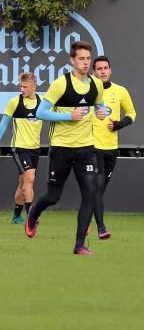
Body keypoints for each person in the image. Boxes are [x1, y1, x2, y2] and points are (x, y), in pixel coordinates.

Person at [25, 41, 105, 255]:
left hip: (86, 148)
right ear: (72, 60)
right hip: (61, 148)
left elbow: (100, 105)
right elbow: (41, 112)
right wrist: (69, 117)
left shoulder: (96, 84)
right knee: (53, 197)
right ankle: (33, 213)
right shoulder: (60, 84)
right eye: (81, 58)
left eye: (88, 58)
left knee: (90, 193)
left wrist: (102, 112)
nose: (86, 62)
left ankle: (79, 245)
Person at [89, 56, 135, 240]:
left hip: (111, 149)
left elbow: (132, 113)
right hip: (92, 147)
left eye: (105, 68)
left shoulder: (120, 91)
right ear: (94, 72)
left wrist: (119, 124)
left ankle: (86, 220)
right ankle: (101, 227)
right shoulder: (88, 93)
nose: (102, 71)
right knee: (97, 187)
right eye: (98, 69)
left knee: (98, 190)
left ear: (110, 70)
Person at [0, 72, 42, 225]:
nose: (22, 89)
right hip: (18, 148)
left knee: (23, 183)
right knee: (30, 178)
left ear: (34, 87)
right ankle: (31, 216)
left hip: (35, 149)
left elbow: (52, 117)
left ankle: (16, 216)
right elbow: (3, 123)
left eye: (25, 86)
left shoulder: (42, 102)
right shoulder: (14, 102)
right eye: (21, 86)